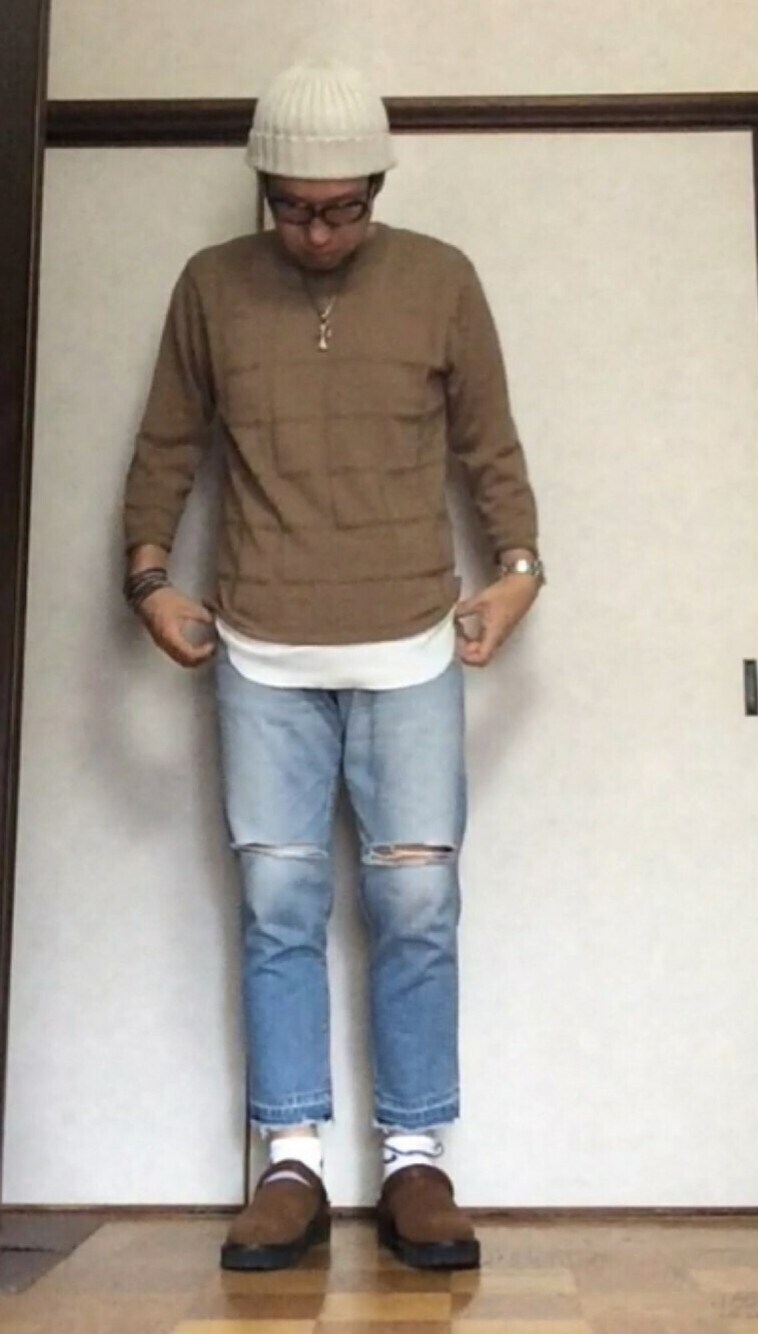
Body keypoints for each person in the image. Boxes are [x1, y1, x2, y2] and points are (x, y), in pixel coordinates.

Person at [121, 58, 543, 1274]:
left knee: (416, 903)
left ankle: (415, 1159)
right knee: (278, 905)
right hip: (259, 646)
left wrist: (517, 568)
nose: (317, 232)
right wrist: (149, 578)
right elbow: (166, 444)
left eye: (342, 209)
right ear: (264, 191)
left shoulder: (440, 279)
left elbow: (489, 445)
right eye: (295, 209)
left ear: (376, 190)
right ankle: (290, 1161)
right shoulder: (210, 287)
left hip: (411, 640)